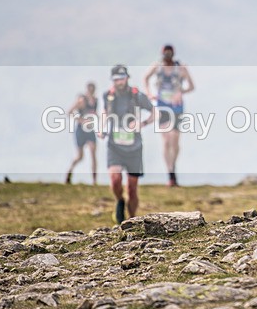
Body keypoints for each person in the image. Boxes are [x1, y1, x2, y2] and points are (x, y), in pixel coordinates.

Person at [99, 65, 155, 224]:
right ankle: (119, 201)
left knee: (132, 187)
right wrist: (101, 128)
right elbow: (104, 112)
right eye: (116, 79)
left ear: (127, 78)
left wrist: (142, 124)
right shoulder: (108, 96)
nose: (119, 82)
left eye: (122, 78)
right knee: (115, 179)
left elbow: (155, 113)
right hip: (114, 145)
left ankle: (132, 220)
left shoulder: (137, 96)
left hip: (134, 147)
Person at [143, 45, 195, 187]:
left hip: (177, 107)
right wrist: (149, 93)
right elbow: (145, 78)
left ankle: (173, 166)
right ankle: (170, 173)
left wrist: (180, 92)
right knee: (166, 139)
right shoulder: (157, 67)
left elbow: (191, 86)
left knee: (175, 140)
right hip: (162, 107)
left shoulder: (181, 68)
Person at [65, 82, 98, 185]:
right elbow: (69, 112)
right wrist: (81, 120)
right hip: (80, 130)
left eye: (92, 90)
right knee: (80, 156)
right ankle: (69, 171)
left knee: (93, 152)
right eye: (89, 89)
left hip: (90, 130)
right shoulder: (81, 100)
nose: (91, 91)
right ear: (87, 90)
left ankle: (94, 181)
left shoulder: (96, 101)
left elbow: (94, 113)